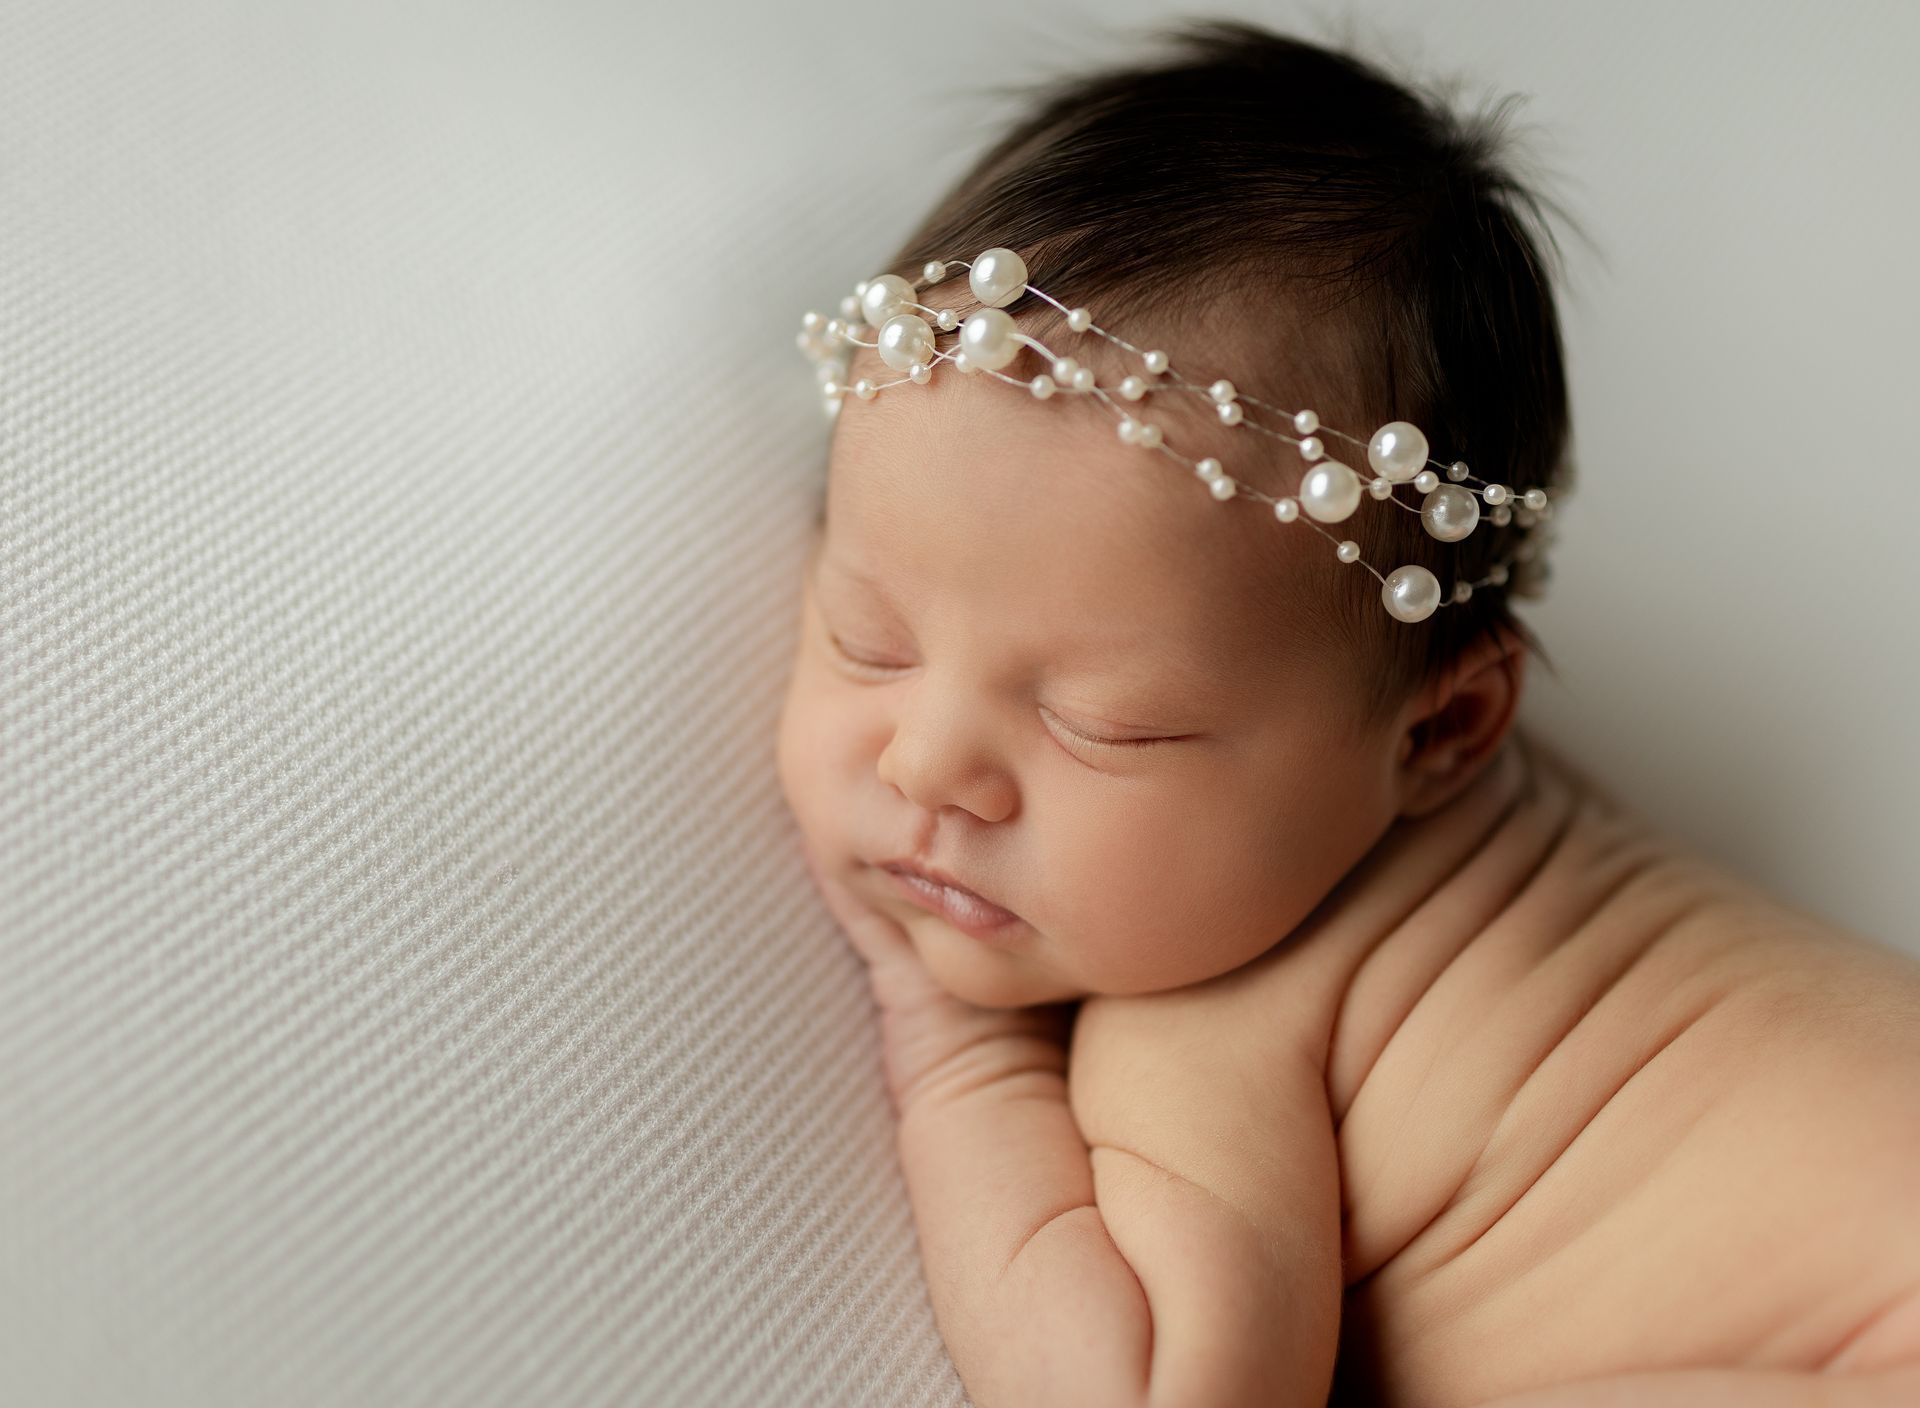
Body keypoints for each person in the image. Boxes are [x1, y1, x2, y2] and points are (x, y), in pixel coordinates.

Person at [774, 18, 1920, 1407]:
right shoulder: (1493, 822)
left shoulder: (1217, 1010)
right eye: (868, 638)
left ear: (1442, 735)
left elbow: (1138, 1388)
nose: (930, 762)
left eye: (1107, 723)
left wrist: (958, 1051)